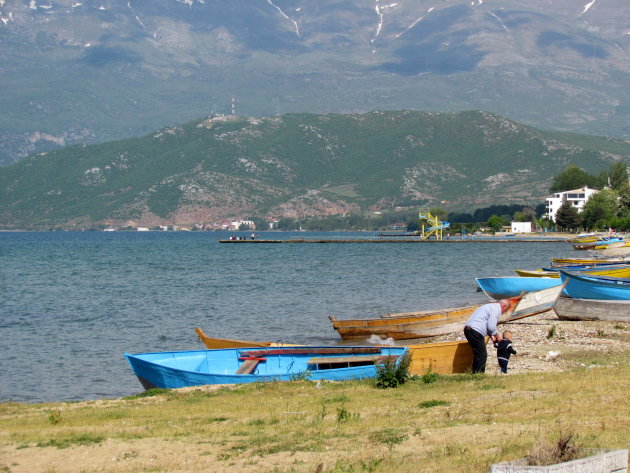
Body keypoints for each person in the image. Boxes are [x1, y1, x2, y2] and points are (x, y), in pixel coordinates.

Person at [463, 299, 511, 373]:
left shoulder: (489, 306)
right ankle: (478, 375)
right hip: (475, 331)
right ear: (504, 306)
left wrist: (492, 336)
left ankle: (476, 373)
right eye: (506, 310)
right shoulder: (496, 309)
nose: (504, 312)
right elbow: (491, 327)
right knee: (482, 355)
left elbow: (487, 324)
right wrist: (497, 336)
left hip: (468, 329)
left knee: (478, 353)